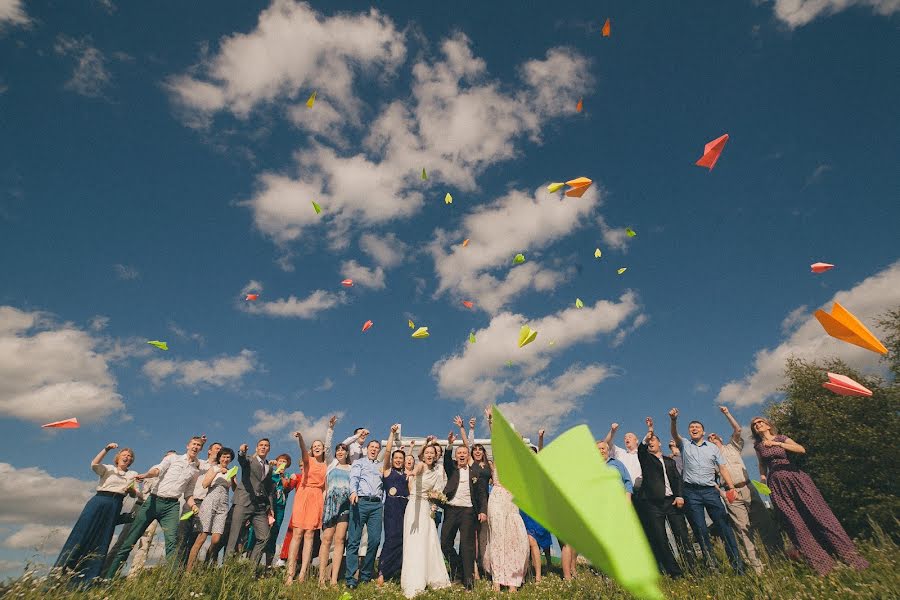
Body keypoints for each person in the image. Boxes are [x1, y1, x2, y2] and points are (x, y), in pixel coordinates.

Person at [751, 417, 868, 575]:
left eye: (760, 422)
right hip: (776, 484)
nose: (758, 425)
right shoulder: (758, 446)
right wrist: (763, 479)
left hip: (795, 477)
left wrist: (778, 444)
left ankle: (850, 558)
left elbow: (801, 449)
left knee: (819, 515)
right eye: (755, 425)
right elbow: (761, 465)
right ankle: (822, 565)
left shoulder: (781, 438)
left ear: (768, 425)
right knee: (795, 523)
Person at [105, 436, 205, 578]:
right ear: (188, 446)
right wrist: (146, 474)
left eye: (199, 445)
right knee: (130, 540)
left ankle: (172, 581)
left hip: (172, 506)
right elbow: (158, 470)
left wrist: (194, 506)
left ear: (201, 449)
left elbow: (188, 493)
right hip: (153, 501)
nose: (196, 447)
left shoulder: (195, 470)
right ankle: (108, 578)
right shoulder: (173, 459)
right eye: (194, 444)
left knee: (172, 542)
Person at [669, 408, 744, 574]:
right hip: (691, 492)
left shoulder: (712, 448)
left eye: (697, 427)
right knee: (701, 530)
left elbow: (722, 467)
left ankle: (738, 566)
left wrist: (731, 487)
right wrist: (674, 420)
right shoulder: (685, 445)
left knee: (724, 527)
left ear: (703, 431)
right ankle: (712, 567)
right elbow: (675, 435)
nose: (694, 429)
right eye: (691, 427)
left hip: (711, 491)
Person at [54, 443, 139, 584]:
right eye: (124, 455)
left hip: (115, 504)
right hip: (99, 501)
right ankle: (61, 575)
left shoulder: (133, 474)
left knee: (102, 539)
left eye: (130, 456)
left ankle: (87, 579)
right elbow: (94, 464)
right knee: (82, 534)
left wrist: (132, 491)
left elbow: (137, 494)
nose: (127, 457)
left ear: (131, 460)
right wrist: (106, 449)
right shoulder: (108, 468)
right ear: (118, 458)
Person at [708, 406, 764, 573]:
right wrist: (722, 492)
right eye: (709, 438)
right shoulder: (710, 458)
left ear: (719, 437)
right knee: (743, 529)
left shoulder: (732, 447)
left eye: (713, 436)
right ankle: (757, 567)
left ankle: (777, 557)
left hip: (747, 486)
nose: (711, 438)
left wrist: (726, 413)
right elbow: (708, 478)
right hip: (731, 492)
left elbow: (738, 429)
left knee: (764, 522)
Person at [481, 407, 529, 592]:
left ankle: (513, 580)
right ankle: (497, 579)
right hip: (497, 497)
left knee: (516, 539)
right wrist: (491, 421)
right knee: (498, 537)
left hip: (512, 500)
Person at [636, 417, 692, 578]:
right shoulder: (646, 458)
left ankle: (691, 568)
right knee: (661, 538)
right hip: (653, 504)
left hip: (673, 502)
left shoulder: (670, 461)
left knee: (681, 535)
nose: (651, 442)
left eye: (654, 440)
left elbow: (678, 480)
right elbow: (641, 449)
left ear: (660, 443)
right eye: (649, 441)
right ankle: (674, 572)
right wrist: (648, 433)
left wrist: (680, 496)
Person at [401, 443, 451, 597]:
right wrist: (411, 474)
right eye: (427, 452)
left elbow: (435, 492)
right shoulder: (421, 465)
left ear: (435, 456)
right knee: (414, 541)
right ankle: (414, 579)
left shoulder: (436, 474)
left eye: (432, 453)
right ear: (422, 455)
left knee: (428, 541)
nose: (429, 455)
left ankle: (431, 576)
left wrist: (435, 503)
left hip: (426, 508)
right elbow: (416, 471)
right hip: (414, 506)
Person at [441, 430, 488, 590]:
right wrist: (450, 444)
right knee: (445, 542)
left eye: (464, 453)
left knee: (467, 546)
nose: (461, 455)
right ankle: (458, 568)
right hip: (451, 509)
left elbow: (481, 493)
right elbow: (446, 459)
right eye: (458, 453)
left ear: (468, 456)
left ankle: (468, 581)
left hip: (469, 511)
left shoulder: (475, 472)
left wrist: (483, 510)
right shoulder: (451, 468)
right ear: (456, 456)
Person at [345, 432, 389, 589]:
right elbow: (354, 478)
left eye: (377, 448)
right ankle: (350, 578)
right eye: (372, 447)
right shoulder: (359, 462)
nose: (374, 449)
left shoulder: (380, 466)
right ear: (367, 449)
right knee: (354, 541)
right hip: (360, 502)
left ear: (379, 451)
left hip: (376, 505)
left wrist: (382, 502)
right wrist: (353, 492)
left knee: (375, 540)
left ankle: (365, 575)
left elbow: (384, 485)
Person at [285, 429, 328, 584]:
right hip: (303, 495)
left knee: (310, 535)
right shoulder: (308, 459)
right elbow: (303, 450)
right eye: (314, 445)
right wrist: (301, 438)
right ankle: (290, 574)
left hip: (317, 497)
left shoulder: (326, 465)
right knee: (297, 534)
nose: (317, 447)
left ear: (324, 449)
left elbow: (325, 488)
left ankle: (303, 573)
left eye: (319, 445)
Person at [225, 438, 275, 567]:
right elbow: (241, 460)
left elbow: (269, 489)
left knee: (264, 537)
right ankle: (226, 570)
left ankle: (250, 570)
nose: (263, 447)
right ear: (257, 448)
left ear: (269, 449)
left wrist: (270, 507)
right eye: (261, 445)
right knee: (234, 536)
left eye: (266, 446)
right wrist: (241, 452)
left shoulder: (269, 467)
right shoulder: (249, 460)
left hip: (260, 507)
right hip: (244, 502)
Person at [186, 447, 236, 572]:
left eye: (228, 457)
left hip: (223, 505)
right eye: (223, 456)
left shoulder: (231, 471)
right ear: (219, 457)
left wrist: (233, 478)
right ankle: (189, 570)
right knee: (201, 537)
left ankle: (205, 565)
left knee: (216, 540)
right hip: (210, 502)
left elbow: (235, 489)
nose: (225, 459)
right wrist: (218, 471)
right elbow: (205, 484)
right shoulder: (213, 468)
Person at [245, 451, 293, 567]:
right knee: (257, 532)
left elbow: (287, 487)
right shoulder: (269, 471)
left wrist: (281, 475)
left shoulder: (287, 476)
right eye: (280, 460)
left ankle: (268, 566)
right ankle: (250, 563)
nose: (281, 463)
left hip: (279, 508)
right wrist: (270, 468)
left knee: (273, 534)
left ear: (287, 465)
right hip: (265, 506)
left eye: (284, 461)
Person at [177, 440, 222, 565]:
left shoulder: (220, 469)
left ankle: (186, 568)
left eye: (220, 449)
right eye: (216, 448)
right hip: (191, 502)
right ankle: (175, 569)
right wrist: (199, 443)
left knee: (195, 538)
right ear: (209, 451)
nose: (219, 450)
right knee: (182, 536)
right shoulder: (200, 463)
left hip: (206, 505)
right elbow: (191, 456)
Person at [318, 440, 352, 586]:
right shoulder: (331, 465)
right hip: (330, 505)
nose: (340, 452)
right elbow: (327, 446)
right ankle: (321, 578)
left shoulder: (352, 468)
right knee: (326, 539)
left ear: (347, 453)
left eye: (343, 449)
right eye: (338, 449)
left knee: (340, 540)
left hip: (345, 506)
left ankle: (333, 579)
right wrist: (331, 428)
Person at [378, 424, 407, 585]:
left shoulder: (406, 474)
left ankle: (396, 572)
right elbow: (387, 452)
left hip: (405, 509)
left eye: (400, 458)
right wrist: (391, 434)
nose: (398, 460)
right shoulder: (388, 472)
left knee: (403, 540)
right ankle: (382, 572)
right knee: (390, 539)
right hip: (391, 509)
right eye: (396, 458)